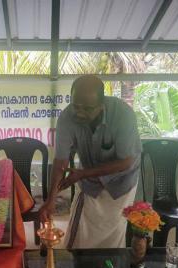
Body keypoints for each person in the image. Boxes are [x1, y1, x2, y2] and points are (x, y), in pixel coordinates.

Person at [39, 75, 141, 249]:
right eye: (76, 106)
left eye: (87, 109)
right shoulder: (67, 117)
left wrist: (83, 174)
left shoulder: (123, 114)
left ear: (101, 106)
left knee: (113, 235)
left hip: (121, 183)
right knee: (80, 233)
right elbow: (60, 161)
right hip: (89, 181)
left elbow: (126, 161)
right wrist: (51, 200)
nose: (79, 113)